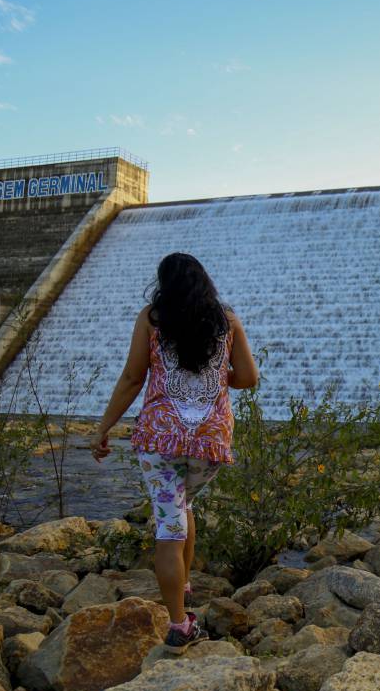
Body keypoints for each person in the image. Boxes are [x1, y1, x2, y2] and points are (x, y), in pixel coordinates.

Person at [91, 252, 259, 652]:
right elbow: (249, 378)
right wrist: (219, 378)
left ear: (164, 283)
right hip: (210, 442)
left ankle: (179, 626)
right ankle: (183, 584)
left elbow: (134, 377)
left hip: (159, 439)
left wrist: (104, 428)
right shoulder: (227, 320)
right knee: (183, 507)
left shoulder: (152, 319)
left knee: (169, 523)